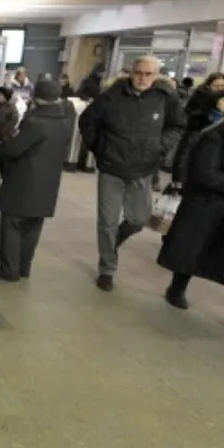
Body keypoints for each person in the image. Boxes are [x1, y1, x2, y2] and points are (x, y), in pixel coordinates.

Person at [79, 55, 185, 292]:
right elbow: (87, 122)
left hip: (143, 169)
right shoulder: (111, 96)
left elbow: (177, 125)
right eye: (139, 73)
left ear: (156, 75)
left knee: (139, 219)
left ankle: (114, 241)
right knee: (107, 221)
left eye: (149, 74)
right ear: (130, 72)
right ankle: (107, 268)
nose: (143, 78)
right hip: (112, 168)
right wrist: (101, 148)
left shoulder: (165, 98)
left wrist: (160, 147)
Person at [158, 88, 224, 334]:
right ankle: (176, 289)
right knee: (194, 251)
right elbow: (205, 173)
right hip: (208, 205)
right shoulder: (219, 135)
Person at [0, 79, 74, 281]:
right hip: (48, 181)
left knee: (12, 223)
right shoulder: (65, 121)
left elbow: (15, 149)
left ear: (36, 98)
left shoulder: (35, 121)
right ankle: (23, 267)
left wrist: (4, 142)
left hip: (24, 180)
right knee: (33, 225)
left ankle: (9, 269)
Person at [168, 89, 224, 186]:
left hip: (216, 177)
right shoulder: (199, 120)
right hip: (194, 172)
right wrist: (178, 178)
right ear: (215, 102)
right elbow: (185, 151)